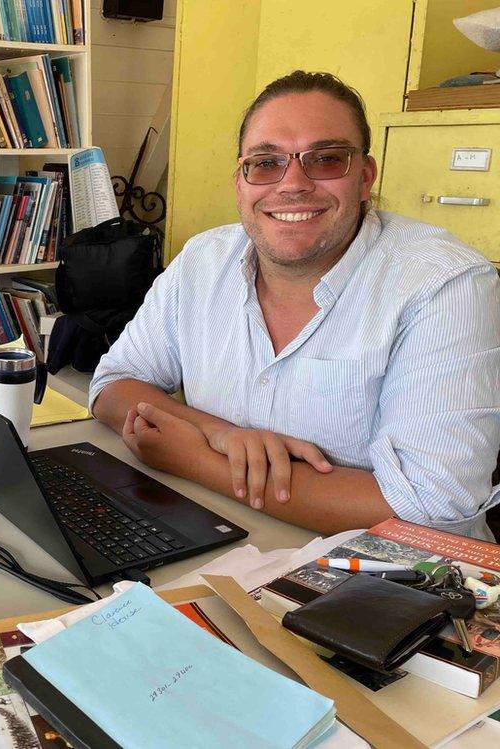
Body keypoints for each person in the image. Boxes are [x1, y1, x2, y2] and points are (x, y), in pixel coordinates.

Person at [89, 70, 500, 540]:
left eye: (326, 159)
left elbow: (428, 508)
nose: (293, 184)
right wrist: (219, 433)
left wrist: (196, 457)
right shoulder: (205, 259)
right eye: (266, 163)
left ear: (364, 178)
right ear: (241, 182)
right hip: (219, 535)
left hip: (395, 580)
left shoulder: (444, 283)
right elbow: (114, 385)